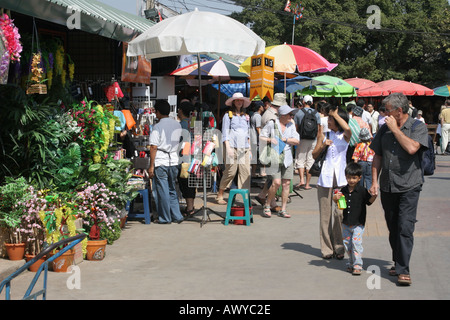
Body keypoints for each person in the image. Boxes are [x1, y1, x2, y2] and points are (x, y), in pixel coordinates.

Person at [369, 92, 429, 286]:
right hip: (388, 184)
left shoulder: (417, 127)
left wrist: (395, 130)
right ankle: (398, 260)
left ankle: (403, 269)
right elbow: (377, 155)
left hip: (409, 184)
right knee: (393, 226)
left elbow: (412, 148)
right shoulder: (383, 129)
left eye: (387, 110)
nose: (383, 113)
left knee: (405, 227)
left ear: (399, 111)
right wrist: (374, 182)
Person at [312, 106, 351, 259]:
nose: (327, 121)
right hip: (325, 180)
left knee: (340, 213)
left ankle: (339, 246)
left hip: (341, 181)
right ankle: (327, 249)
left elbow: (348, 129)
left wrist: (336, 114)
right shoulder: (323, 134)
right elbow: (314, 154)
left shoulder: (345, 136)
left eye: (330, 119)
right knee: (325, 215)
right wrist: (322, 145)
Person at [333, 162, 377, 275]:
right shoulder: (343, 191)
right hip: (346, 222)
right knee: (347, 244)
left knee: (356, 244)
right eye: (349, 177)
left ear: (359, 178)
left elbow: (369, 202)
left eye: (354, 178)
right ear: (345, 177)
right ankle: (351, 262)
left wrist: (374, 196)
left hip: (358, 223)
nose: (351, 180)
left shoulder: (362, 190)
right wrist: (335, 198)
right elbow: (340, 205)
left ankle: (358, 265)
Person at [259, 104, 300, 218]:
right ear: (282, 115)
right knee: (276, 182)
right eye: (289, 114)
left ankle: (283, 209)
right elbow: (261, 137)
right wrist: (270, 139)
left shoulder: (291, 125)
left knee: (286, 184)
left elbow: (297, 141)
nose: (291, 116)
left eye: (292, 114)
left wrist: (285, 139)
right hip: (275, 156)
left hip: (287, 157)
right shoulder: (272, 124)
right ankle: (267, 205)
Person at [148, 99, 184, 224]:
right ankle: (177, 215)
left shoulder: (157, 126)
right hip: (173, 160)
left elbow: (153, 147)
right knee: (172, 189)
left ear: (157, 112)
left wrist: (151, 166)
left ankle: (165, 218)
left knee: (162, 190)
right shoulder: (177, 124)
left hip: (161, 160)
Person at [216, 92, 252, 204]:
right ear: (233, 102)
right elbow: (225, 132)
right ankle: (220, 194)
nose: (239, 102)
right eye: (237, 100)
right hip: (231, 147)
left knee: (245, 172)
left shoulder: (246, 117)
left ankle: (246, 199)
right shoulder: (228, 115)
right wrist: (228, 147)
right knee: (231, 171)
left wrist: (250, 149)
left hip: (244, 148)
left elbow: (248, 134)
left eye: (241, 100)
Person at [254, 93, 287, 213]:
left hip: (270, 149)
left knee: (271, 178)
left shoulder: (269, 113)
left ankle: (263, 196)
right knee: (274, 179)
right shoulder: (271, 117)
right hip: (271, 150)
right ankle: (271, 202)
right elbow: (268, 135)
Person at [293, 94, 321, 190]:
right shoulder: (316, 113)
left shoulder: (298, 113)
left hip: (302, 139)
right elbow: (318, 128)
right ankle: (308, 184)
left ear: (303, 102)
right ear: (312, 103)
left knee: (301, 159)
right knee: (310, 160)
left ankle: (302, 180)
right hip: (313, 139)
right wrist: (318, 140)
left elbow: (296, 128)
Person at [177, 100, 196, 216]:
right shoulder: (192, 123)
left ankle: (189, 208)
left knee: (185, 182)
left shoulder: (181, 125)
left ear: (180, 111)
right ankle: (191, 206)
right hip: (193, 158)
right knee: (191, 183)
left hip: (185, 158)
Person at [250, 101, 264, 176]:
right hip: (255, 138)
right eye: (262, 106)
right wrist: (262, 138)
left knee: (253, 155)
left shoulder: (253, 115)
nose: (263, 107)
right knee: (255, 156)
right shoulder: (258, 116)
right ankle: (253, 173)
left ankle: (253, 172)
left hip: (252, 137)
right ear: (260, 107)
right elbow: (258, 128)